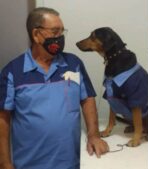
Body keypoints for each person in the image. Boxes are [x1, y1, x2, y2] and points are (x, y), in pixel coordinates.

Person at [0, 7, 109, 169]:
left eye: (62, 31)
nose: (60, 37)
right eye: (55, 31)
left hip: (70, 163)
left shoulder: (74, 64)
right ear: (36, 35)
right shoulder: (13, 72)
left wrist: (93, 135)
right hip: (28, 164)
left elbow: (87, 99)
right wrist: (4, 163)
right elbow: (3, 118)